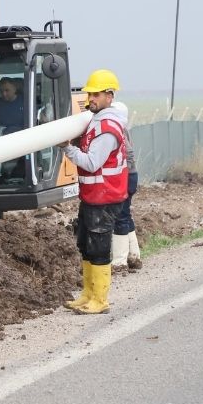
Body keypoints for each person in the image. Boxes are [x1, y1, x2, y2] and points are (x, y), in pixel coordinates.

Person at [58, 69, 129, 315]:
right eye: (90, 93)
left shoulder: (107, 127)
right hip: (93, 195)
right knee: (86, 244)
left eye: (96, 94)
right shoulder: (96, 121)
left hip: (105, 197)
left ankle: (100, 299)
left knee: (98, 246)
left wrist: (67, 149)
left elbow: (91, 163)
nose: (91, 98)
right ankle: (87, 294)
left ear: (109, 96)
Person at [109, 101, 142, 272]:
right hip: (131, 176)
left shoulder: (118, 130)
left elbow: (128, 153)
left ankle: (119, 261)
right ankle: (134, 255)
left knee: (120, 215)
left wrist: (123, 171)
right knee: (126, 214)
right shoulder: (123, 128)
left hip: (126, 176)